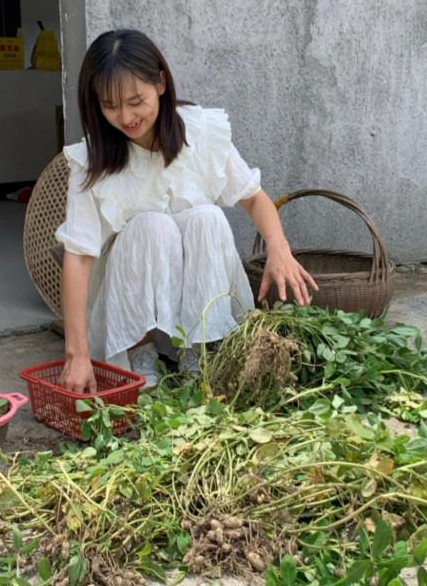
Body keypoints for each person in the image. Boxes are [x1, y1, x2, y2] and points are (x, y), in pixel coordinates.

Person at [55, 29, 318, 392]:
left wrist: (279, 249)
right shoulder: (92, 161)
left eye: (136, 100)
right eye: (111, 106)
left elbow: (254, 198)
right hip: (130, 322)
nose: (126, 116)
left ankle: (202, 351)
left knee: (207, 217)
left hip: (192, 312)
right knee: (152, 227)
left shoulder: (201, 131)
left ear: (161, 83)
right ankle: (142, 356)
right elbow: (78, 257)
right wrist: (76, 354)